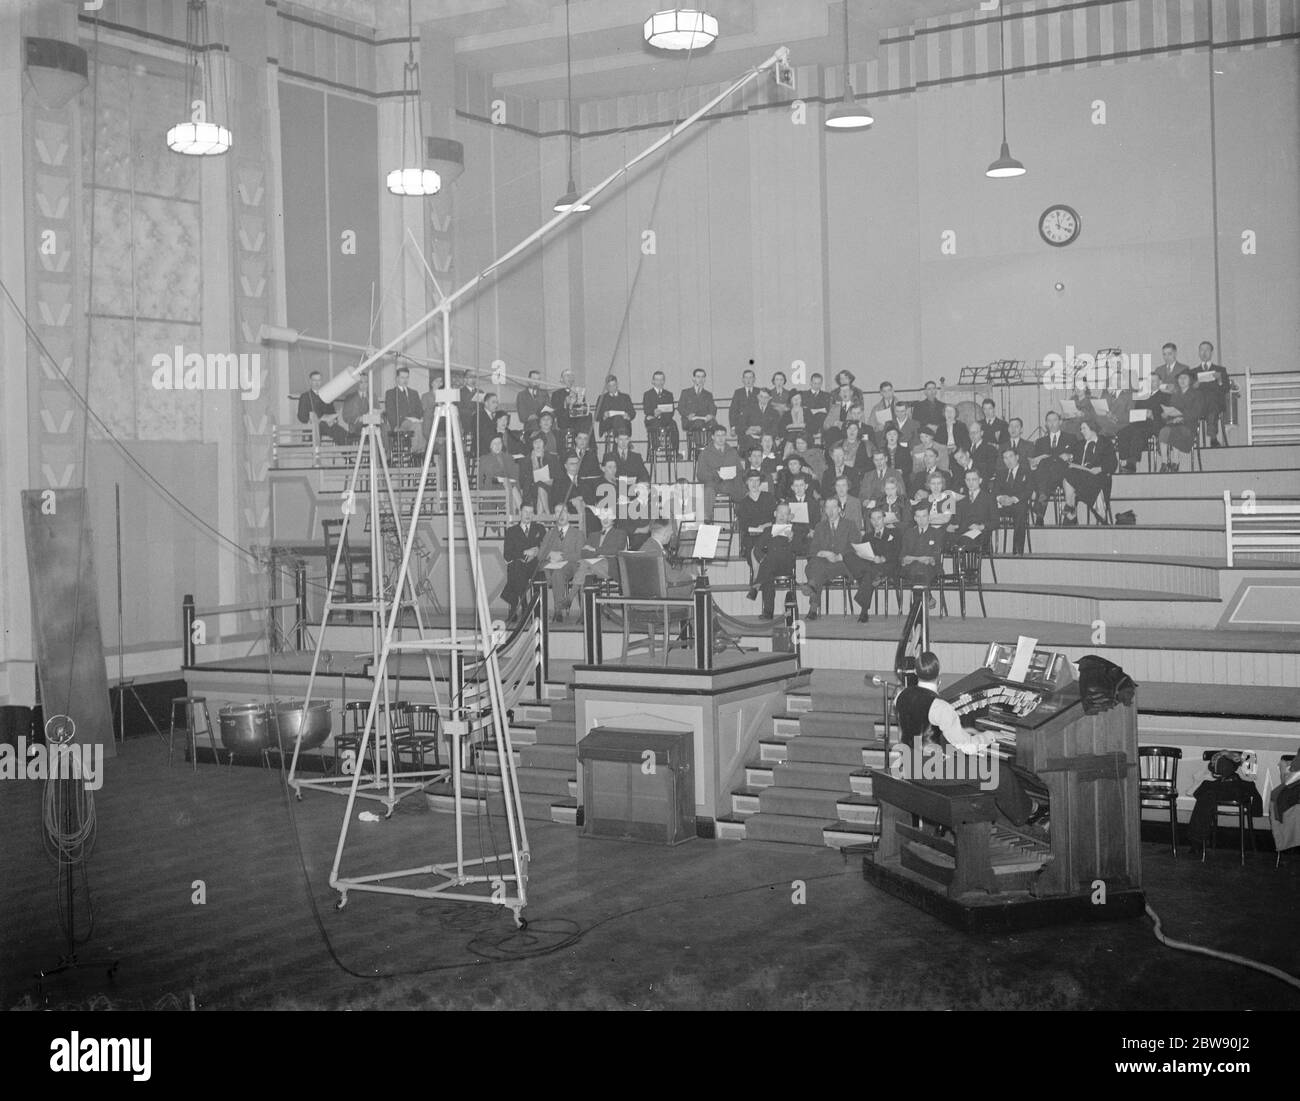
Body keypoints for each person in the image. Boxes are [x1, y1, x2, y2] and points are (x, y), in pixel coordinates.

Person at [893, 651, 1038, 827]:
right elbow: (968, 748)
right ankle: (1029, 814)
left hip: (909, 764)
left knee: (976, 765)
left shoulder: (901, 696)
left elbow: (918, 730)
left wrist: (964, 732)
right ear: (939, 675)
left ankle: (999, 818)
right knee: (1001, 775)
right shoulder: (940, 707)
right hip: (930, 771)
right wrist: (991, 735)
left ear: (916, 672)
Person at [566, 510, 629, 616]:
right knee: (584, 572)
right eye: (602, 516)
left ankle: (570, 598)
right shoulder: (593, 535)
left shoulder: (620, 533)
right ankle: (584, 614)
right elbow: (584, 552)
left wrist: (595, 550)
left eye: (608, 517)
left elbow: (616, 550)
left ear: (613, 519)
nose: (605, 519)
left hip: (609, 566)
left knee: (583, 565)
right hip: (591, 565)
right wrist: (599, 552)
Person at [803, 498, 857, 621]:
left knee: (816, 570)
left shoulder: (850, 524)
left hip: (843, 564)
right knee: (817, 565)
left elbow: (855, 547)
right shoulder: (820, 526)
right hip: (824, 563)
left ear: (839, 509)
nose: (831, 510)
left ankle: (813, 603)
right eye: (827, 507)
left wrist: (839, 556)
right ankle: (813, 602)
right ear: (824, 510)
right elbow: (813, 549)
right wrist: (821, 552)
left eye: (833, 507)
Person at [747, 502, 799, 619]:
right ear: (775, 513)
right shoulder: (768, 531)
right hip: (769, 567)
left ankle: (756, 585)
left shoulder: (793, 530)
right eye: (780, 512)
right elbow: (757, 550)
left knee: (769, 561)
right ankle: (768, 613)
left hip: (785, 566)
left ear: (789, 517)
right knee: (768, 572)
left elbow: (800, 550)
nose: (782, 516)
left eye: (786, 514)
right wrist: (763, 560)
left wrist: (792, 539)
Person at [850, 506, 900, 622]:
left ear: (884, 518)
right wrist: (861, 554)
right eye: (873, 519)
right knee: (868, 570)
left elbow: (898, 551)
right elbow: (864, 552)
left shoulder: (894, 533)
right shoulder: (867, 536)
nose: (876, 522)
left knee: (869, 573)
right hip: (872, 566)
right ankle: (878, 577)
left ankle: (864, 611)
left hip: (889, 565)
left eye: (879, 518)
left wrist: (883, 558)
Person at [537, 504, 584, 622]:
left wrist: (562, 556)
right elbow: (540, 554)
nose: (561, 515)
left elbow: (580, 555)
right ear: (554, 516)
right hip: (554, 568)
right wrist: (550, 554)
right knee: (557, 572)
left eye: (564, 512)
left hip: (571, 566)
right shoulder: (550, 534)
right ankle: (559, 609)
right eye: (558, 512)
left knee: (558, 572)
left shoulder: (578, 534)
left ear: (568, 515)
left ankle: (558, 609)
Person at [1063, 420, 1116, 523]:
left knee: (1069, 478)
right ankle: (1096, 507)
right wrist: (1069, 457)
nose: (1081, 431)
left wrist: (1100, 469)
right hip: (1080, 478)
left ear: (1093, 429)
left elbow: (1113, 463)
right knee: (1068, 474)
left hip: (1098, 477)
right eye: (1081, 429)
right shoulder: (1079, 445)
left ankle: (1070, 512)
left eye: (1084, 428)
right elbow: (1074, 462)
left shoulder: (1105, 443)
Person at [1030, 410, 1076, 524]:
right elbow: (1034, 462)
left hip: (1064, 475)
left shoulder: (1070, 438)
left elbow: (1078, 456)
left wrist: (1070, 455)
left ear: (1060, 422)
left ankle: (1039, 512)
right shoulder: (1040, 442)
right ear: (1045, 423)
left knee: (1044, 481)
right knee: (1042, 478)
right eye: (1049, 421)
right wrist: (1037, 460)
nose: (1052, 423)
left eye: (1055, 420)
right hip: (1047, 476)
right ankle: (1040, 516)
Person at [501, 505, 546, 622]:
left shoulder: (540, 528)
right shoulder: (511, 531)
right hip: (519, 565)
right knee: (517, 567)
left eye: (531, 512)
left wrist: (535, 551)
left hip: (535, 566)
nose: (528, 515)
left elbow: (546, 547)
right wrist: (524, 553)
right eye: (525, 511)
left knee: (515, 571)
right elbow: (507, 554)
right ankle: (524, 605)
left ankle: (515, 608)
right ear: (520, 513)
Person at [696, 425, 744, 522]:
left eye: (723, 435)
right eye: (718, 435)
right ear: (712, 437)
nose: (721, 438)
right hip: (714, 483)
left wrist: (733, 473)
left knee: (742, 486)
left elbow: (740, 470)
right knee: (708, 489)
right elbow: (701, 474)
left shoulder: (732, 452)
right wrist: (716, 473)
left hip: (731, 483)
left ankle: (741, 517)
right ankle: (706, 519)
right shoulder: (705, 453)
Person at [1158, 369, 1202, 471]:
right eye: (1180, 378)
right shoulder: (1174, 395)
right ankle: (1164, 462)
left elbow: (1197, 412)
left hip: (1188, 425)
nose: (1182, 380)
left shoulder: (1197, 394)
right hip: (1173, 423)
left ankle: (1176, 461)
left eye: (1185, 378)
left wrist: (1182, 417)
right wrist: (1166, 415)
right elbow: (1172, 412)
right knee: (1163, 431)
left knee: (1175, 431)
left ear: (1190, 380)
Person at [900, 504, 944, 603]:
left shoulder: (937, 533)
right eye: (918, 516)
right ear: (915, 518)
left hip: (931, 568)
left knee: (920, 569)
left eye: (924, 516)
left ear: (929, 517)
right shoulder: (909, 533)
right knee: (917, 569)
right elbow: (903, 555)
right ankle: (927, 598)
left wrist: (914, 558)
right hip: (911, 568)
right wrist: (908, 559)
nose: (921, 519)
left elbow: (934, 556)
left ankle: (918, 607)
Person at [640, 518, 695, 596]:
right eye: (670, 530)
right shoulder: (655, 551)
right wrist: (691, 577)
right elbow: (672, 577)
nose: (672, 533)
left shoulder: (646, 546)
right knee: (696, 588)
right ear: (665, 533)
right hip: (659, 600)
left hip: (646, 598)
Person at [993, 446, 1031, 555]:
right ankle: (986, 549)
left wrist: (1013, 499)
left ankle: (1017, 550)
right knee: (985, 508)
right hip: (1002, 505)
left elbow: (1028, 491)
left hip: (1017, 504)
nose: (1008, 460)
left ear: (1017, 457)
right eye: (1005, 458)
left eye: (1010, 457)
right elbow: (995, 491)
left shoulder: (1026, 472)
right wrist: (1000, 498)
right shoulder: (1000, 473)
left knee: (1021, 509)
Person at [735, 470, 777, 570]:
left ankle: (760, 576)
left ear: (760, 482)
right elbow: (743, 525)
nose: (754, 484)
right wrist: (756, 529)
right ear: (746, 482)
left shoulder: (769, 497)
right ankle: (760, 576)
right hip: (752, 535)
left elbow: (775, 518)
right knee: (751, 548)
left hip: (769, 533)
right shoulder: (743, 503)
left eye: (757, 480)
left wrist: (766, 525)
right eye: (751, 481)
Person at [1194, 340, 1232, 447]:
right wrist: (1194, 386)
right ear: (1198, 352)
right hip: (1199, 405)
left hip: (1215, 405)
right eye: (1202, 350)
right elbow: (1187, 392)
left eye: (1207, 350)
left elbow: (1226, 389)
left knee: (1212, 401)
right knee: (1209, 400)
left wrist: (1220, 380)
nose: (1204, 352)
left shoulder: (1220, 370)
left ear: (1212, 353)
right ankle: (1213, 438)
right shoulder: (1193, 372)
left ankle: (1213, 436)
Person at [951, 468, 996, 552]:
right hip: (963, 531)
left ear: (980, 480)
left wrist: (981, 526)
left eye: (974, 479)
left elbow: (995, 521)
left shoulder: (989, 498)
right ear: (965, 481)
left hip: (981, 533)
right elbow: (957, 521)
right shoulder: (961, 500)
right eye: (968, 480)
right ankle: (960, 565)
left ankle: (965, 564)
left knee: (965, 542)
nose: (970, 483)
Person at [297, 370, 349, 444]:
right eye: (314, 380)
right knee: (326, 428)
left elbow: (332, 412)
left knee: (341, 432)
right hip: (312, 426)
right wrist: (310, 419)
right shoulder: (305, 396)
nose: (317, 383)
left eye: (319, 380)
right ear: (310, 381)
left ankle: (347, 452)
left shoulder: (326, 395)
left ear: (321, 381)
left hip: (327, 425)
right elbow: (300, 416)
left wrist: (334, 420)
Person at [384, 366, 425, 451]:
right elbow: (390, 411)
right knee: (418, 426)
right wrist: (395, 426)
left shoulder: (414, 393)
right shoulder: (391, 393)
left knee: (423, 425)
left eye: (407, 377)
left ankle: (420, 451)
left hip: (415, 420)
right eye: (402, 377)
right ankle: (416, 452)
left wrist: (420, 418)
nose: (405, 380)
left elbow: (420, 409)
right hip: (401, 422)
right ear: (397, 378)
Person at [478, 434, 521, 513]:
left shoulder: (508, 457)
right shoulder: (485, 459)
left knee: (512, 489)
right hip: (492, 489)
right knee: (512, 492)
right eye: (495, 444)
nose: (497, 446)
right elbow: (479, 480)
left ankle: (514, 519)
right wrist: (483, 492)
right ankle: (519, 517)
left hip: (508, 487)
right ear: (490, 446)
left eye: (499, 443)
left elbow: (514, 477)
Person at [642, 370, 679, 456]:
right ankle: (655, 446)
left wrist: (663, 414)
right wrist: (654, 413)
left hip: (665, 419)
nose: (659, 382)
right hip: (652, 419)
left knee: (673, 424)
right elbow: (646, 410)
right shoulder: (647, 394)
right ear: (653, 381)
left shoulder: (669, 394)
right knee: (653, 423)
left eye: (661, 380)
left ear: (664, 381)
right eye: (657, 380)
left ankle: (675, 450)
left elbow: (671, 411)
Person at [519, 434, 558, 515]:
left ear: (543, 443)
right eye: (535, 442)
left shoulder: (552, 458)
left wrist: (546, 481)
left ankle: (540, 519)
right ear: (532, 445)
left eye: (540, 441)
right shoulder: (526, 461)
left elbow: (556, 478)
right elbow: (523, 482)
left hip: (550, 491)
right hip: (531, 492)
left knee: (541, 487)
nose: (538, 444)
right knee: (540, 487)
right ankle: (548, 515)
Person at [678, 368, 718, 439]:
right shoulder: (685, 392)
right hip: (690, 420)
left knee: (714, 423)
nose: (700, 379)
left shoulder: (708, 394)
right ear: (693, 379)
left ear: (705, 379)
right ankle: (699, 447)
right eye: (698, 377)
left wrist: (711, 415)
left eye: (703, 377)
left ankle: (709, 446)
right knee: (698, 423)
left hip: (704, 419)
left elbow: (713, 407)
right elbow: (680, 407)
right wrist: (688, 415)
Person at [551, 368, 591, 437]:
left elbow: (582, 409)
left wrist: (579, 402)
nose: (570, 378)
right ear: (561, 380)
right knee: (580, 423)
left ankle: (585, 440)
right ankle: (581, 437)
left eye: (572, 376)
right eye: (567, 376)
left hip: (576, 418)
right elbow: (555, 411)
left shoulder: (578, 392)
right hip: (564, 419)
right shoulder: (556, 394)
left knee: (589, 415)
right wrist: (565, 403)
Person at [594, 375, 635, 440]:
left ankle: (619, 443)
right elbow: (596, 416)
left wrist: (628, 416)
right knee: (618, 419)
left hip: (623, 422)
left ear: (617, 385)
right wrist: (603, 415)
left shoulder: (625, 397)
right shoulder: (602, 398)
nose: (612, 388)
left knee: (619, 419)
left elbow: (633, 413)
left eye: (614, 385)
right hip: (608, 423)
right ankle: (623, 442)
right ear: (606, 387)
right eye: (610, 386)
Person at [729, 365, 761, 443]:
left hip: (756, 426)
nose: (748, 380)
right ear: (743, 380)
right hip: (742, 427)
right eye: (746, 378)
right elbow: (733, 411)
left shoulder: (759, 392)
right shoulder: (738, 392)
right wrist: (733, 427)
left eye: (750, 377)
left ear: (754, 379)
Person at [803, 373, 831, 439]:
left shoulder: (826, 395)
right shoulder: (804, 395)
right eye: (815, 383)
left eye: (819, 383)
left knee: (821, 415)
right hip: (808, 419)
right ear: (810, 383)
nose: (817, 386)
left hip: (821, 419)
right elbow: (804, 409)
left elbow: (827, 409)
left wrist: (812, 410)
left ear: (821, 383)